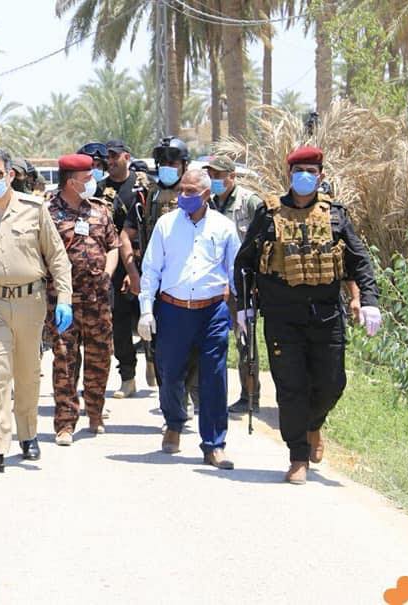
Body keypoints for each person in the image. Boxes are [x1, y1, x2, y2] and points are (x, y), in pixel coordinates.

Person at [234, 146, 380, 484]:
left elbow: (359, 261)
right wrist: (244, 306)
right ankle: (298, 455)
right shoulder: (268, 215)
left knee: (332, 383)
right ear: (289, 175)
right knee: (290, 386)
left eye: (311, 171)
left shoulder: (336, 216)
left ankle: (314, 424)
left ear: (321, 176)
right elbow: (244, 263)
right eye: (299, 170)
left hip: (326, 315)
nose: (305, 176)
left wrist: (367, 300)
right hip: (282, 317)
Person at [0, 148, 73, 478]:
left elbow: (58, 258)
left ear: (10, 175)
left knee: (26, 371)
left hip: (29, 302)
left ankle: (28, 432)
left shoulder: (34, 210)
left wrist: (65, 297)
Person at [138, 168, 240, 470]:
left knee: (214, 377)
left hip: (212, 312)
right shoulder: (165, 225)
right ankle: (173, 423)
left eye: (191, 192)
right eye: (182, 190)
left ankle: (214, 444)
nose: (184, 196)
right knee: (169, 372)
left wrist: (243, 312)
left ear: (207, 194)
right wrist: (146, 309)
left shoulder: (224, 227)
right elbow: (152, 268)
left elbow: (234, 272)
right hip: (173, 310)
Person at [124, 136, 201, 416]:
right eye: (163, 163)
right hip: (157, 282)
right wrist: (133, 271)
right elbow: (128, 234)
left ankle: (189, 394)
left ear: (183, 165)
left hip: (192, 282)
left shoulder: (197, 194)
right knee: (162, 348)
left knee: (195, 345)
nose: (167, 168)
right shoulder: (146, 197)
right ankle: (173, 400)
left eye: (173, 163)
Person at [47, 154, 119, 445]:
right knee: (65, 362)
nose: (93, 182)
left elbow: (113, 245)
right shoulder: (48, 212)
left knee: (100, 358)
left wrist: (108, 274)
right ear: (71, 180)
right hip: (63, 301)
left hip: (97, 300)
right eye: (88, 178)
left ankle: (96, 413)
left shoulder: (100, 211)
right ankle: (65, 424)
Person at [203, 156, 264, 415]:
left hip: (243, 283)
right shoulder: (208, 203)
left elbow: (264, 242)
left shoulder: (249, 202)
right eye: (212, 175)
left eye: (220, 175)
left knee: (245, 339)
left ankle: (251, 395)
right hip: (215, 282)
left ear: (232, 176)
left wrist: (257, 281)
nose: (215, 180)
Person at [93, 139, 154, 399]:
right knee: (118, 322)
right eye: (108, 156)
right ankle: (127, 377)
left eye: (115, 156)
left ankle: (153, 361)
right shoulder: (100, 188)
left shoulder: (143, 186)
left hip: (144, 260)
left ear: (126, 157)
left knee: (150, 316)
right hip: (115, 262)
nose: (110, 161)